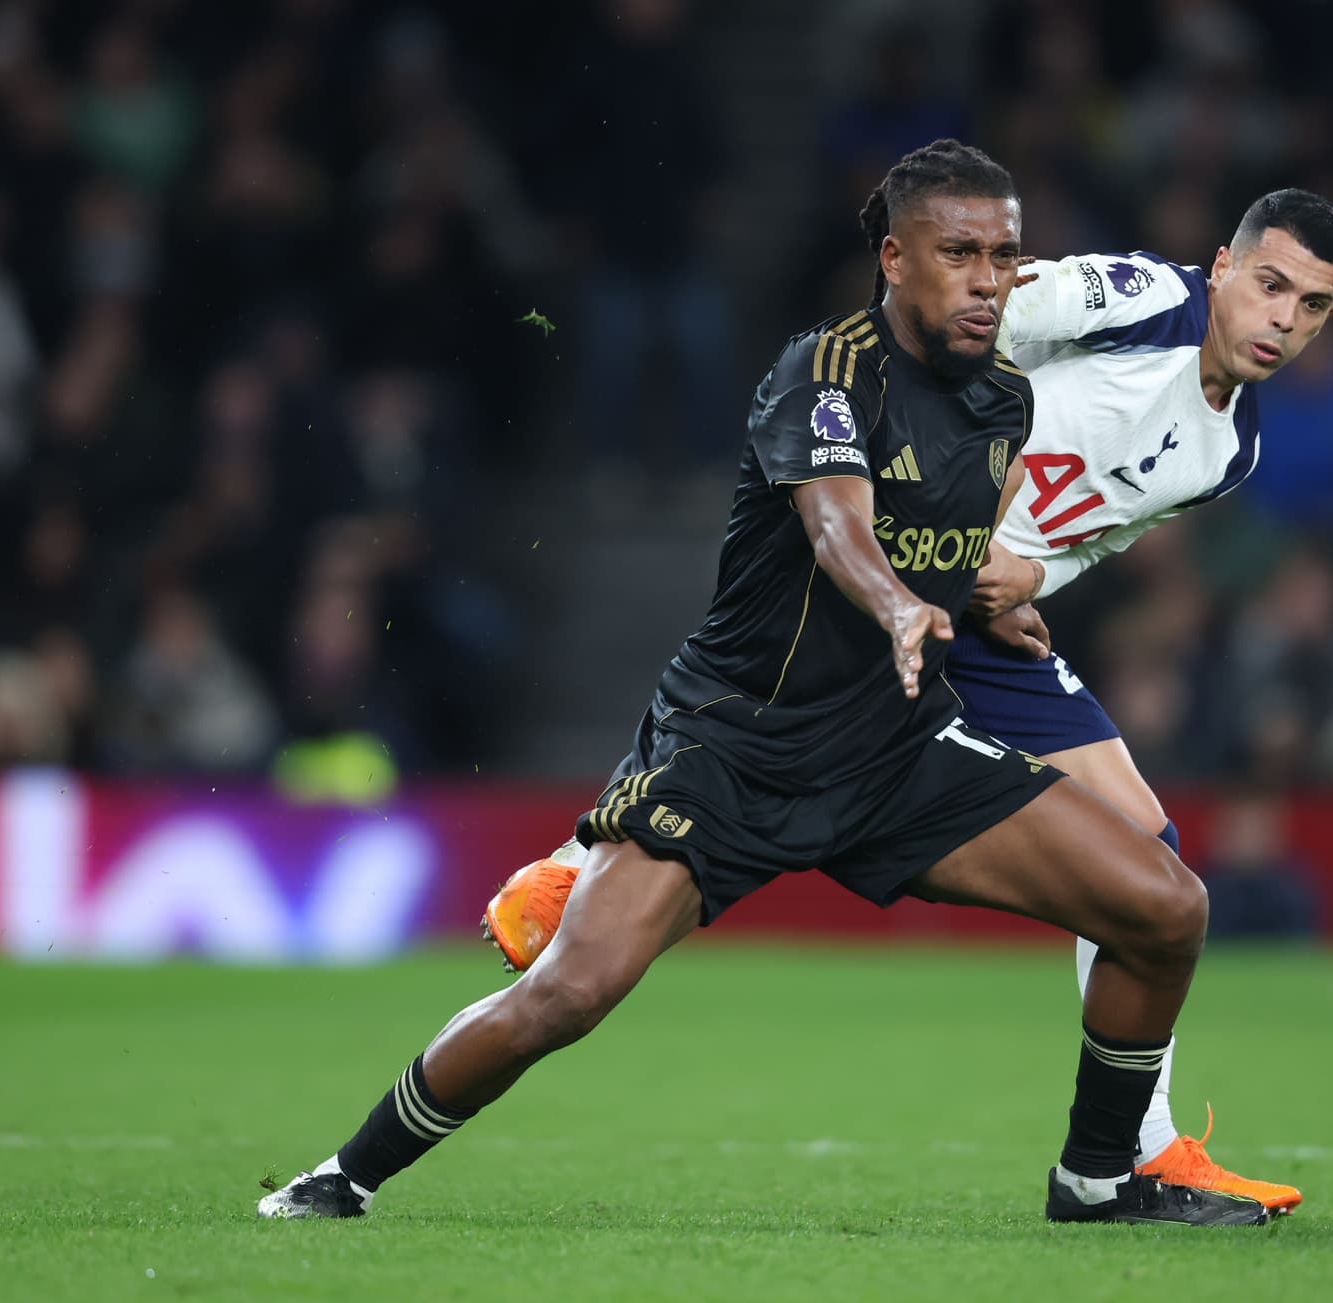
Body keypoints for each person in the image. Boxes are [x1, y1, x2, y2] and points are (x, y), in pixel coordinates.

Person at [259, 140, 1269, 1229]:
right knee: (569, 993)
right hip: (736, 745)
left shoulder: (1003, 401)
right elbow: (838, 524)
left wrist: (992, 598)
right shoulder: (823, 371)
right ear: (894, 259)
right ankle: (342, 1174)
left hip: (897, 751)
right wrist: (897, 606)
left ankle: (1100, 1177)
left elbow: (953, 527)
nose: (990, 279)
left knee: (1165, 907)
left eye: (1005, 256)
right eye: (961, 252)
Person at [487, 189, 1333, 1211]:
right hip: (900, 556)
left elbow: (1094, 534)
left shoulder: (1232, 448)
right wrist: (937, 510)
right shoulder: (1140, 298)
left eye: (1313, 307)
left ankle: (1135, 1154)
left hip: (984, 621)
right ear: (1222, 268)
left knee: (1146, 857)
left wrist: (1031, 579)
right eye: (1270, 286)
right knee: (766, 743)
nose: (1283, 322)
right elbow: (956, 324)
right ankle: (581, 862)